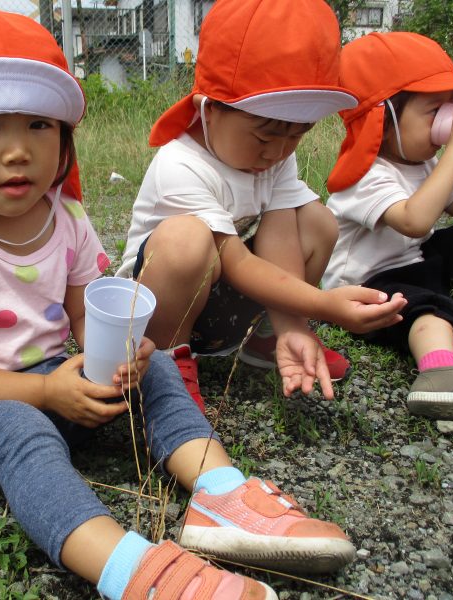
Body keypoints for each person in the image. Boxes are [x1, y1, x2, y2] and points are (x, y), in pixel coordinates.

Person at [0, 5, 357, 599]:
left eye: (40, 126)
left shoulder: (67, 219)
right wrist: (45, 393)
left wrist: (126, 349)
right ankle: (132, 569)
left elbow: (85, 319)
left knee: (155, 365)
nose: (18, 150)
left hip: (60, 383)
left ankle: (221, 493)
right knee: (19, 429)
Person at [115, 0, 407, 411]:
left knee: (318, 221)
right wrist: (326, 305)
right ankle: (166, 367)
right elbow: (237, 263)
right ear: (210, 109)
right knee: (188, 240)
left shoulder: (277, 155)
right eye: (265, 136)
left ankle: (268, 339)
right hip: (159, 313)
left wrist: (293, 323)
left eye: (297, 134)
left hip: (225, 311)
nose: (280, 150)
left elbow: (282, 234)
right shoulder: (180, 164)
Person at [323, 31, 453, 428]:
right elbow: (414, 220)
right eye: (434, 111)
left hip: (414, 263)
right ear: (384, 118)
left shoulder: (422, 162)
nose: (448, 122)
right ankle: (441, 372)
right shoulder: (364, 173)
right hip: (365, 286)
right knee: (424, 302)